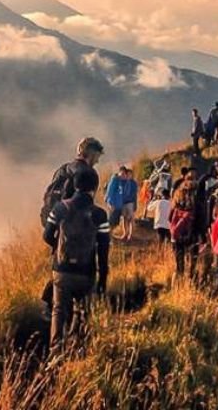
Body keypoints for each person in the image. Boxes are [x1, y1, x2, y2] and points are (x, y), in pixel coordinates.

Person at [43, 169, 110, 349]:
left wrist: (58, 248)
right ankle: (77, 349)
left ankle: (56, 351)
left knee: (59, 310)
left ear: (74, 185)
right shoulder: (100, 215)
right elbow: (104, 251)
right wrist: (103, 279)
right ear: (94, 188)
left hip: (62, 270)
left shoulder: (60, 208)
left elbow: (47, 235)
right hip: (86, 272)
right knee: (83, 312)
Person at [39, 137, 104, 317]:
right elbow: (86, 204)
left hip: (55, 222)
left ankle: (50, 306)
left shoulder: (63, 169)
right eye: (97, 156)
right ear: (90, 153)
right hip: (75, 226)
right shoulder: (88, 174)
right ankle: (68, 311)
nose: (98, 160)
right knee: (77, 265)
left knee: (60, 263)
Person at [169, 167, 198, 277]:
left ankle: (178, 280)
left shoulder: (178, 192)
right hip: (192, 231)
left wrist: (173, 225)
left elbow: (171, 214)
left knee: (179, 260)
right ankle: (191, 277)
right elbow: (201, 214)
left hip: (178, 230)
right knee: (192, 259)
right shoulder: (197, 194)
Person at [105, 166, 138, 240]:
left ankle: (111, 236)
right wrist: (110, 202)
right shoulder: (115, 180)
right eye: (122, 173)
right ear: (119, 172)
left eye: (124, 174)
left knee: (115, 222)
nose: (123, 175)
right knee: (112, 221)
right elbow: (110, 192)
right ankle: (108, 237)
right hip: (114, 205)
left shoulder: (122, 181)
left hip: (120, 205)